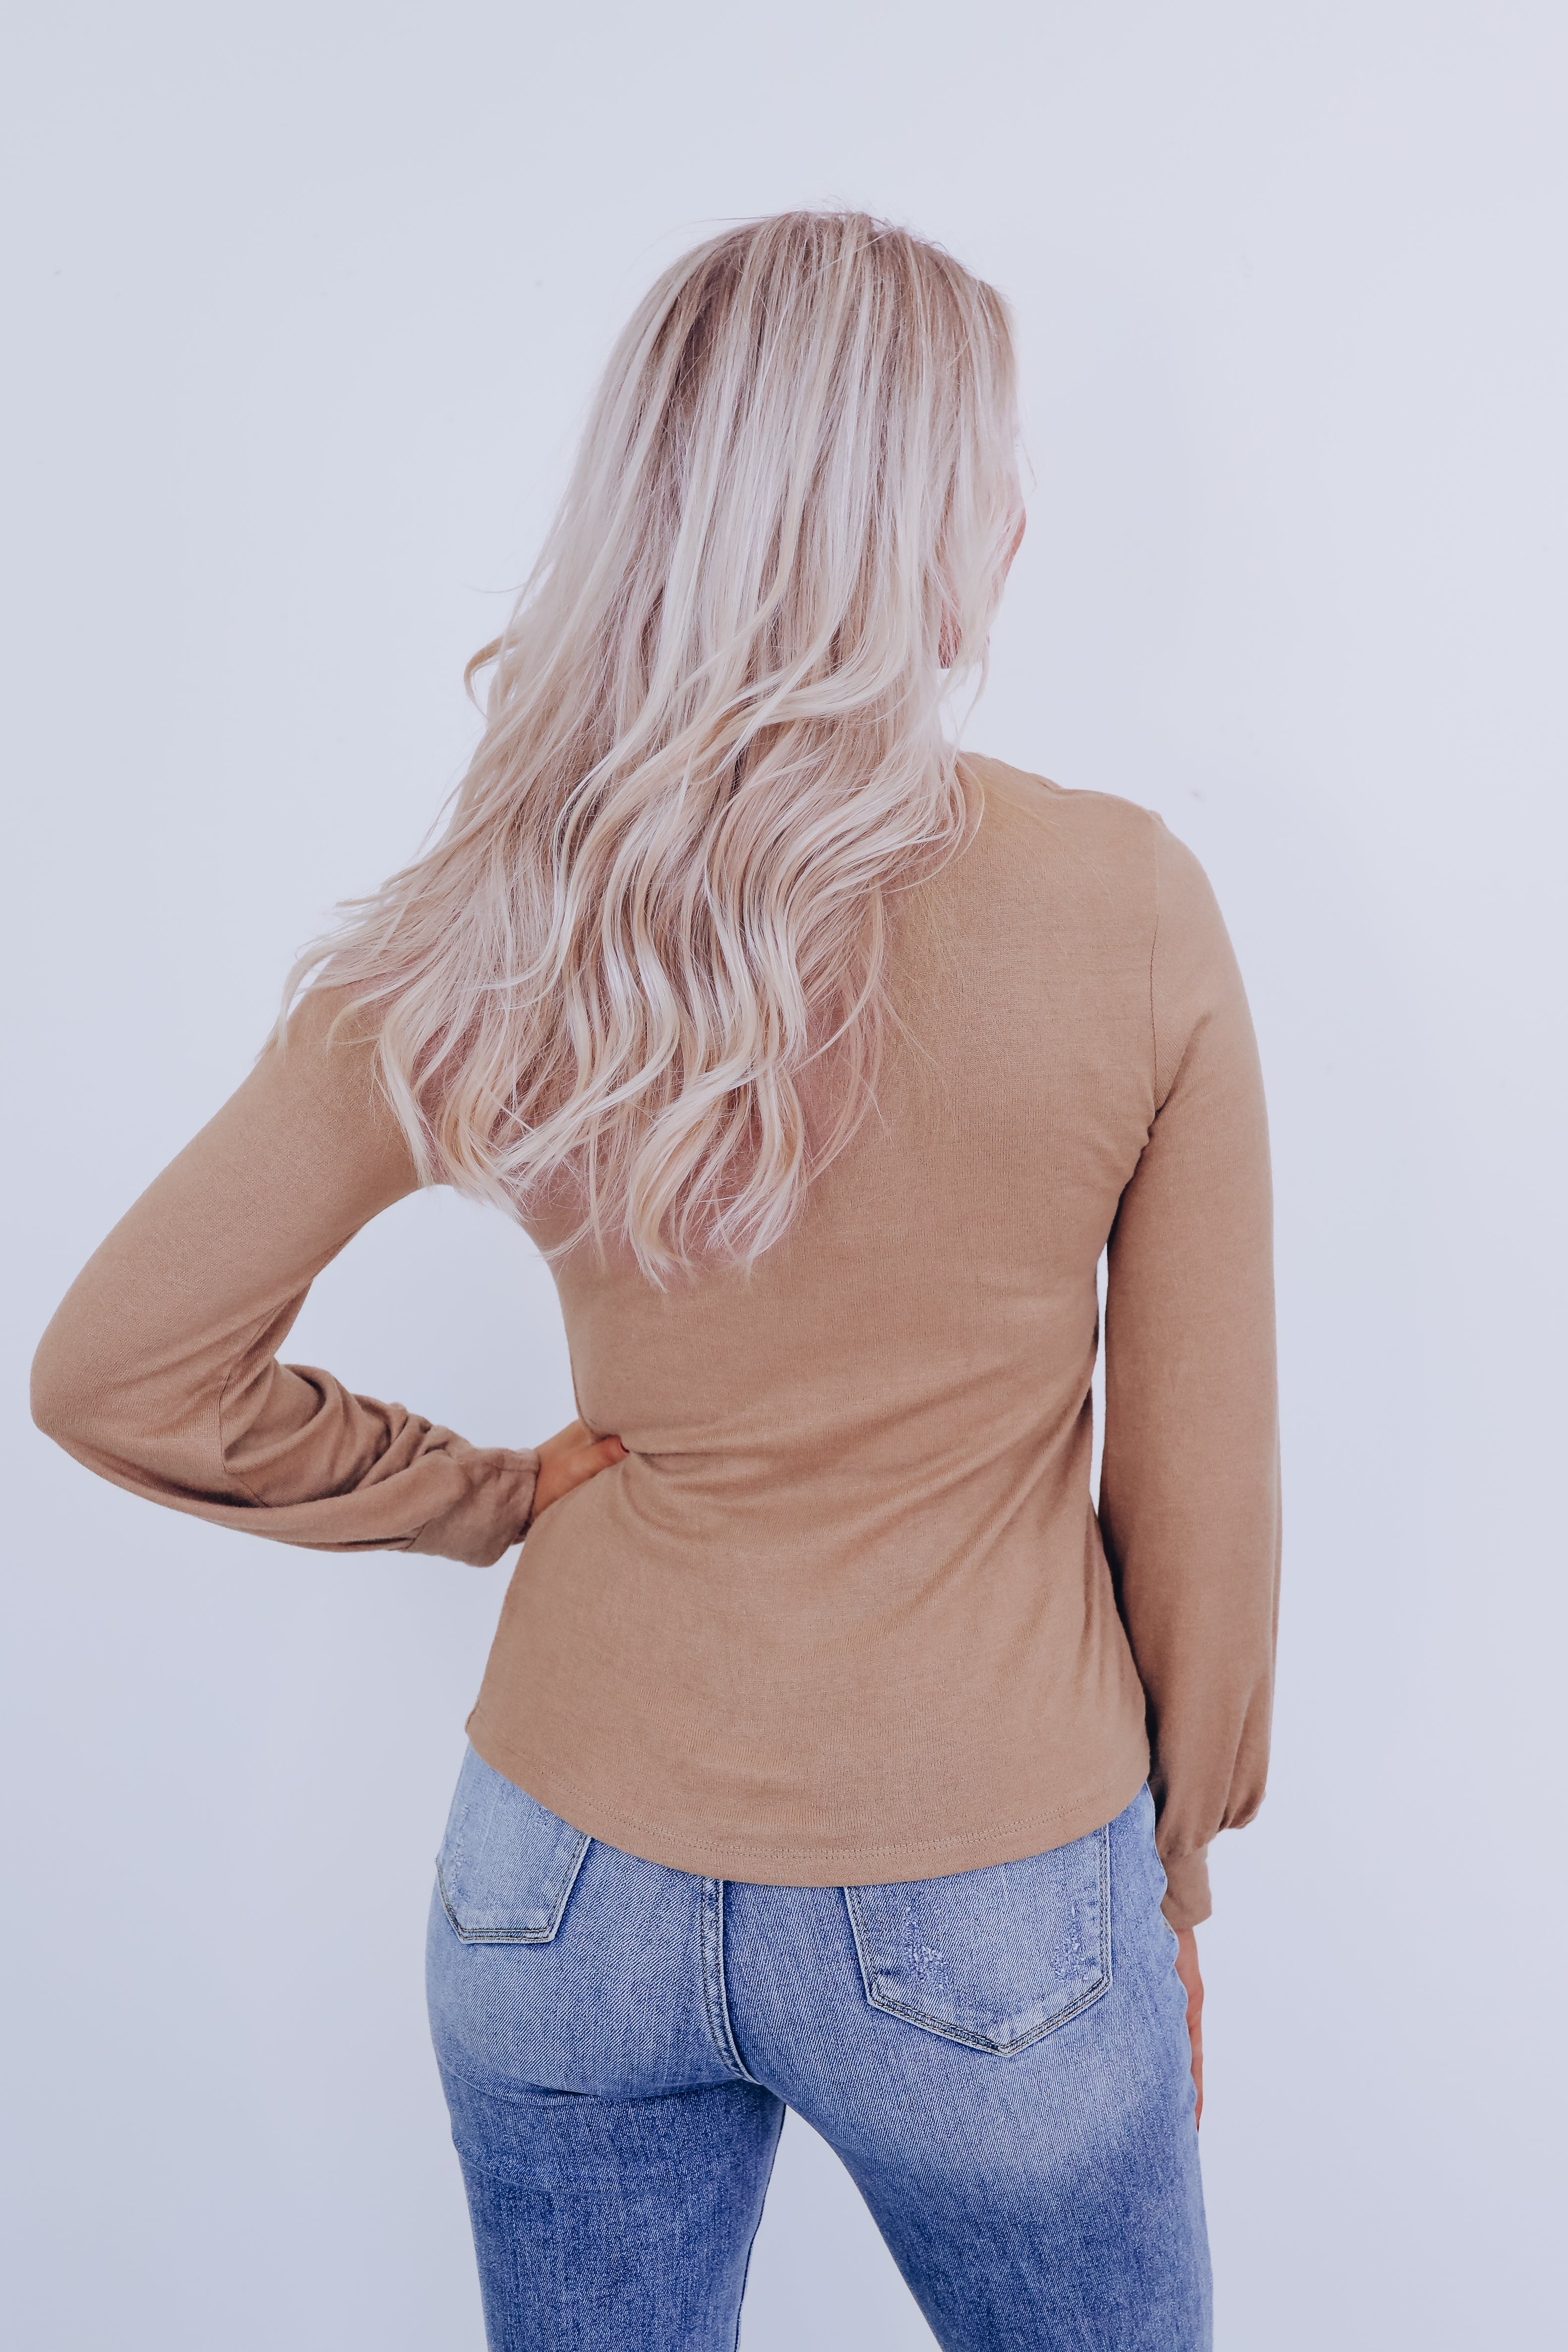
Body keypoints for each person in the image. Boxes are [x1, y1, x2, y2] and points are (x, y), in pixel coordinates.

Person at [31, 211, 1279, 2352]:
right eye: (989, 463)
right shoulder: (1130, 907)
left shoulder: (499, 922)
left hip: (555, 1887)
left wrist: (493, 1499)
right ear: (908, 518)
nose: (1016, 513)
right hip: (986, 1899)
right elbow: (1202, 1504)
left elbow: (117, 1366)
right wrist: (1170, 1874)